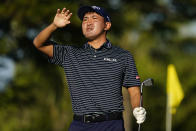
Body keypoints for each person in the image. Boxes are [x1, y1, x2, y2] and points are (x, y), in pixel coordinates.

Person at [33, 5, 146, 131]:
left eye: (94, 18)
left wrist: (137, 108)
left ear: (106, 25)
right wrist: (54, 26)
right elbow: (39, 43)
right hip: (80, 125)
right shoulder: (70, 54)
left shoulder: (123, 56)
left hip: (112, 125)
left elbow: (134, 89)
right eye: (85, 19)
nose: (88, 22)